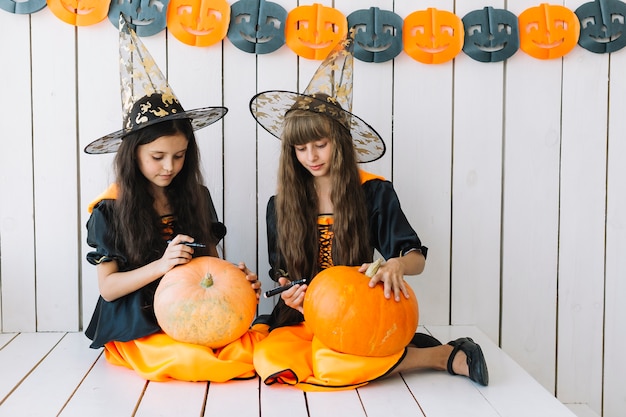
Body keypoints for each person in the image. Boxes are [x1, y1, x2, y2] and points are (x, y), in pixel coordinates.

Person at [248, 32, 488, 391]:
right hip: (302, 318)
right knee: (270, 360)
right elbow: (283, 275)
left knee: (333, 361)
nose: (311, 157)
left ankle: (441, 356)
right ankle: (412, 355)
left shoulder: (373, 191)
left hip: (358, 313)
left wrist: (396, 265)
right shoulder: (280, 206)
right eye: (300, 148)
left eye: (320, 145)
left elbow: (415, 256)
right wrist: (288, 293)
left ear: (340, 143)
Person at [82, 14, 267, 382]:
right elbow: (109, 287)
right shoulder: (109, 209)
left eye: (179, 156)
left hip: (196, 309)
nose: (169, 167)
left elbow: (210, 263)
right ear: (133, 155)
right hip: (139, 318)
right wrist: (162, 265)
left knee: (251, 348)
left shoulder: (196, 196)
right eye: (157, 157)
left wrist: (235, 281)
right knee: (192, 360)